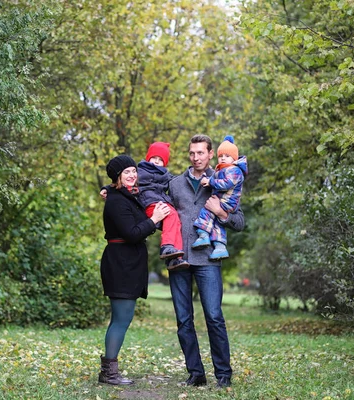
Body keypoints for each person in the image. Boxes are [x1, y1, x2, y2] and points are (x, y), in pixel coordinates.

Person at [167, 134, 245, 389]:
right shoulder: (175, 184)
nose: (196, 157)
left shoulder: (226, 178)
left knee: (213, 316)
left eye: (201, 153)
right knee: (184, 319)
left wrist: (220, 212)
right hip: (179, 259)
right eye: (192, 153)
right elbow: (157, 209)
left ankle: (223, 374)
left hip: (208, 259)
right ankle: (196, 373)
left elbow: (239, 222)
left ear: (211, 154)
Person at [99, 154, 171, 385]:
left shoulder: (126, 196)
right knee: (121, 318)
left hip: (128, 262)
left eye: (133, 170)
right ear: (117, 176)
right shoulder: (117, 200)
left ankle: (108, 371)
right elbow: (131, 232)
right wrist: (155, 219)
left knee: (122, 318)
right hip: (120, 264)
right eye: (126, 172)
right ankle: (109, 373)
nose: (132, 175)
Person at [100, 142, 189, 270]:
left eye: (160, 160)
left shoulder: (165, 175)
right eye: (154, 158)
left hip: (160, 203)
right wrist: (106, 189)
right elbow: (120, 181)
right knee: (171, 214)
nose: (156, 162)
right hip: (147, 203)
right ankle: (167, 246)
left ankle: (175, 257)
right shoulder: (141, 172)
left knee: (175, 220)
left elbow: (178, 181)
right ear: (148, 158)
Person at [191, 135, 248, 260]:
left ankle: (203, 234)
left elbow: (225, 183)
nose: (223, 159)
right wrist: (210, 179)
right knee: (217, 223)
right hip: (224, 201)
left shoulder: (235, 170)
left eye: (227, 156)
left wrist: (210, 182)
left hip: (227, 202)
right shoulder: (223, 170)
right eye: (221, 156)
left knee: (207, 211)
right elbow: (217, 178)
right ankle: (220, 247)